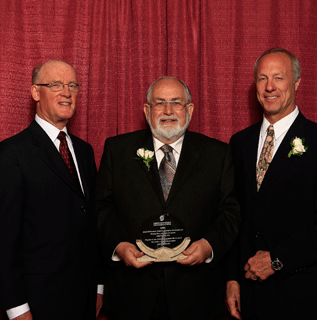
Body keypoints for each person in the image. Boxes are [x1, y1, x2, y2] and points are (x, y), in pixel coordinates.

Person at [96, 76, 240, 320]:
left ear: (190, 110)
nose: (168, 111)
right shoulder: (117, 150)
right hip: (132, 295)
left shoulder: (218, 154)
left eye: (176, 103)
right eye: (160, 103)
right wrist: (119, 246)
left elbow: (231, 212)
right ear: (147, 110)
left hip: (197, 296)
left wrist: (208, 246)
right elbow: (101, 208)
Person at [225, 48, 317, 320]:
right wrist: (232, 279)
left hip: (298, 297)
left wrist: (276, 259)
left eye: (278, 78)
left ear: (296, 83)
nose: (269, 86)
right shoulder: (239, 143)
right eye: (262, 79)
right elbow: (233, 216)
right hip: (247, 296)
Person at [0, 60, 102, 320]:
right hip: (37, 303)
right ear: (36, 92)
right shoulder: (11, 154)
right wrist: (16, 308)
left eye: (72, 85)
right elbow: (1, 240)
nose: (67, 92)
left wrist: (99, 286)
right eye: (56, 85)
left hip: (84, 297)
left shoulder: (84, 151)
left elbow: (92, 224)